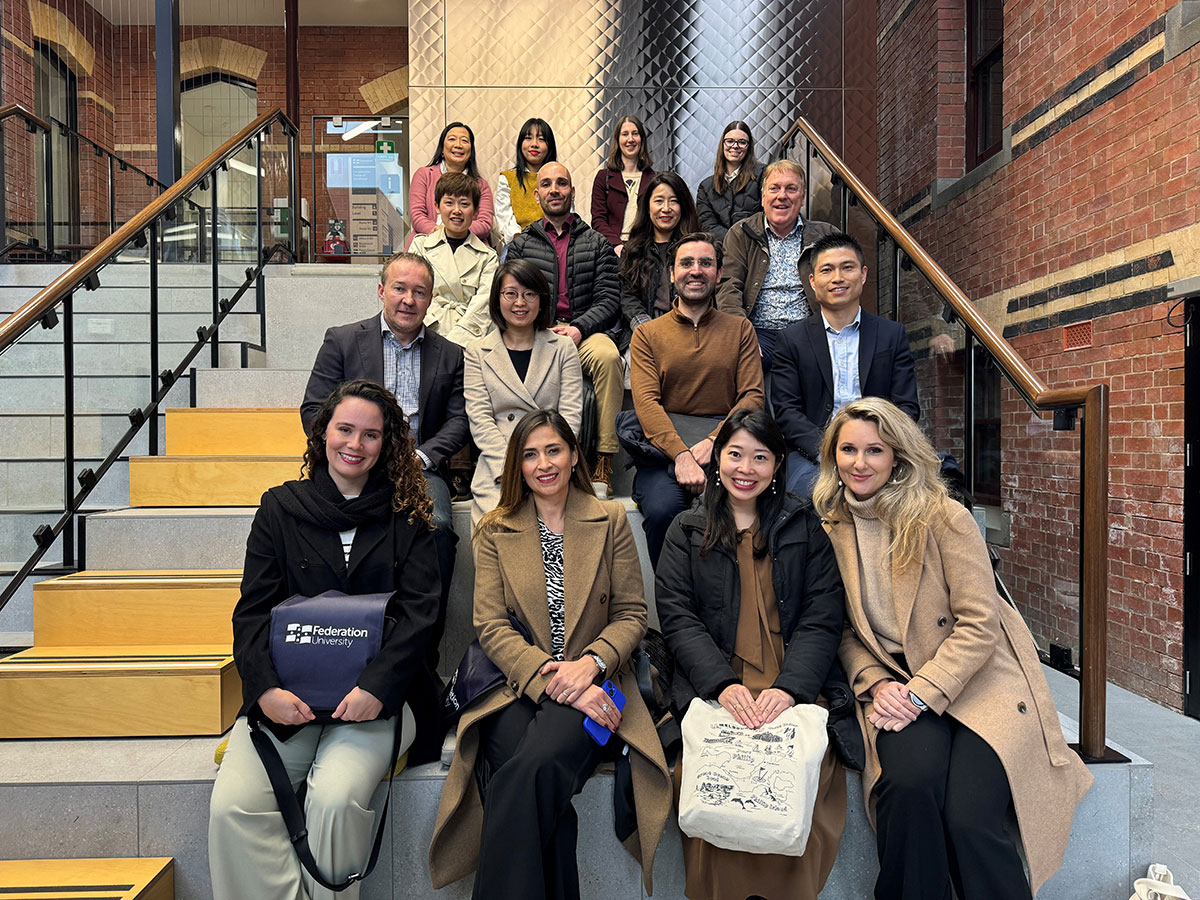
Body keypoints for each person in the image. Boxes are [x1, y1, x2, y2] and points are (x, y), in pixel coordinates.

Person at [813, 397, 1094, 900]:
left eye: (874, 450)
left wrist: (924, 692)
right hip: (893, 680)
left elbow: (979, 624)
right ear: (832, 457)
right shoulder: (829, 524)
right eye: (848, 449)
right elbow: (840, 630)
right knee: (909, 787)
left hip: (978, 677)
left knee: (968, 817)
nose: (859, 463)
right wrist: (877, 683)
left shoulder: (944, 517)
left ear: (897, 456)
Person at [209, 379, 442, 900]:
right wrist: (265, 690)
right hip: (287, 700)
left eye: (371, 435)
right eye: (345, 429)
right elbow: (252, 613)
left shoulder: (408, 513)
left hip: (375, 700)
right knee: (233, 806)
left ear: (388, 445)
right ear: (323, 433)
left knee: (335, 799)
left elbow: (421, 617)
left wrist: (375, 689)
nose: (355, 445)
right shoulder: (279, 508)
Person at [428, 409, 672, 900]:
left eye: (554, 450)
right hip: (516, 686)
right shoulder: (496, 529)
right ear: (517, 465)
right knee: (541, 797)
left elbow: (630, 614)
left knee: (520, 778)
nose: (544, 463)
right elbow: (491, 626)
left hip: (598, 686)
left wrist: (589, 666)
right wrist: (549, 677)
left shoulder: (609, 520)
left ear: (575, 454)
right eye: (531, 454)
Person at [654, 408, 864, 900]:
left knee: (795, 780)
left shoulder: (804, 526)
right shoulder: (686, 529)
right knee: (715, 784)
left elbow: (822, 614)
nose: (745, 469)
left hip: (792, 684)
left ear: (778, 464)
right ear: (717, 459)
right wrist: (721, 686)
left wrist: (791, 689)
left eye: (760, 457)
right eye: (735, 455)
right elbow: (678, 617)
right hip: (716, 687)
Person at [301, 252, 468, 664]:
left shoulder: (450, 354)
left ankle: (423, 652)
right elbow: (313, 410)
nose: (408, 300)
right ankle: (337, 650)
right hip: (354, 465)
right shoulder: (342, 340)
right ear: (381, 291)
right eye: (399, 288)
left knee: (440, 526)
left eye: (419, 292)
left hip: (419, 467)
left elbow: (459, 421)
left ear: (430, 300)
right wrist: (352, 451)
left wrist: (423, 458)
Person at [628, 232, 764, 567]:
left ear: (719, 274)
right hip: (663, 452)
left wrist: (713, 442)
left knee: (732, 511)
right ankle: (674, 608)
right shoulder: (647, 334)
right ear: (671, 274)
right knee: (662, 510)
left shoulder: (740, 329)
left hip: (727, 446)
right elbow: (646, 403)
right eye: (686, 263)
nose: (696, 270)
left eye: (706, 263)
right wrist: (682, 456)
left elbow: (752, 395)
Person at [773, 232, 919, 496]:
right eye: (827, 270)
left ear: (863, 275)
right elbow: (786, 412)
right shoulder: (791, 340)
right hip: (813, 453)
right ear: (813, 281)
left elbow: (906, 405)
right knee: (812, 497)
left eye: (847, 268)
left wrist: (877, 449)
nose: (837, 278)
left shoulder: (891, 335)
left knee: (916, 496)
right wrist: (829, 451)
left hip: (878, 449)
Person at [507, 161, 623, 493]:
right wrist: (539, 328)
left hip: (585, 333)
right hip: (538, 333)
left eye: (562, 183)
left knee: (608, 357)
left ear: (572, 191)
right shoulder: (521, 245)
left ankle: (603, 459)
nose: (554, 190)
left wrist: (579, 329)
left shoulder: (597, 243)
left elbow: (608, 299)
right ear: (536, 193)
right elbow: (513, 297)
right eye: (547, 184)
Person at [464, 260, 584, 524]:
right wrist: (513, 466)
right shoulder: (477, 352)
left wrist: (546, 460)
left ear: (541, 300)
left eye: (529, 294)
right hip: (500, 463)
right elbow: (480, 419)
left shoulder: (563, 348)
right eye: (511, 294)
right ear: (497, 298)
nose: (520, 302)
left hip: (552, 463)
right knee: (496, 532)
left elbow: (570, 417)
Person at [716, 159, 837, 369]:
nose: (782, 196)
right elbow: (728, 286)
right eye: (775, 188)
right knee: (737, 359)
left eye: (791, 189)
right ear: (763, 197)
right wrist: (743, 334)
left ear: (802, 199)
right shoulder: (741, 233)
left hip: (811, 330)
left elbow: (842, 285)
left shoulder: (827, 235)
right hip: (759, 331)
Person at [410, 172, 499, 347]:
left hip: (470, 341)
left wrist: (455, 342)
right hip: (427, 334)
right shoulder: (420, 246)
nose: (457, 211)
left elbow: (483, 305)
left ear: (475, 211)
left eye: (465, 204)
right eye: (449, 203)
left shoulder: (488, 257)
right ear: (437, 206)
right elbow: (414, 292)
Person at [617, 171, 701, 351]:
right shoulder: (633, 249)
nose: (666, 208)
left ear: (683, 206)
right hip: (643, 330)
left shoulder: (697, 248)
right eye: (659, 201)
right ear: (647, 207)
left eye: (674, 201)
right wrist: (647, 329)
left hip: (690, 329)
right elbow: (627, 298)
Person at [409, 122, 495, 241]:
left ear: (471, 152)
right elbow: (417, 215)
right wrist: (439, 232)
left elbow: (485, 223)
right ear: (442, 148)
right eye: (452, 139)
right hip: (428, 240)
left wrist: (457, 233)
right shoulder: (424, 175)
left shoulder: (481, 185)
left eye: (464, 141)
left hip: (469, 244)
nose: (458, 145)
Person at [590, 115, 655, 254]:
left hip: (645, 250)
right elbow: (598, 220)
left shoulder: (654, 179)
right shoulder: (603, 178)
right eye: (625, 134)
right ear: (618, 140)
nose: (630, 139)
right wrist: (617, 245)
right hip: (611, 250)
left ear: (641, 139)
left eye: (635, 134)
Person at [695, 120, 765, 245]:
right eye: (730, 141)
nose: (735, 146)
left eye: (742, 142)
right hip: (722, 252)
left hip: (755, 249)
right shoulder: (706, 187)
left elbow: (767, 215)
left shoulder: (762, 174)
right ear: (722, 144)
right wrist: (732, 241)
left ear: (749, 147)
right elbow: (707, 223)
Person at [495, 118, 557, 244]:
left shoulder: (559, 179)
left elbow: (565, 214)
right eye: (528, 138)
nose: (534, 144)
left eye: (541, 139)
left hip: (552, 242)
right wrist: (522, 241)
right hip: (518, 243)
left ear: (549, 145)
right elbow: (505, 218)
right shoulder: (507, 178)